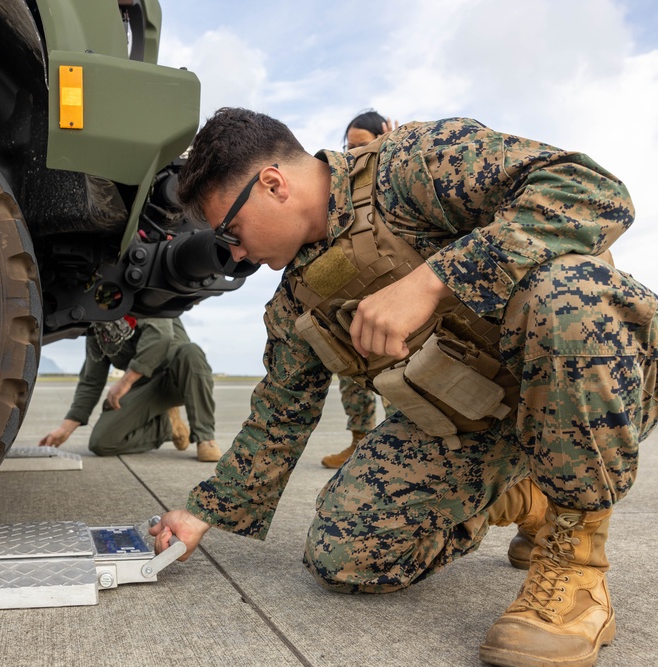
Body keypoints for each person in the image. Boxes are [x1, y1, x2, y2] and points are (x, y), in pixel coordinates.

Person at [150, 107, 656, 667]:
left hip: (599, 377)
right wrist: (201, 513)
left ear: (272, 184)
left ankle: (578, 572)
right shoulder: (297, 299)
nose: (235, 255)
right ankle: (527, 496)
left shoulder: (411, 166)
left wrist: (432, 281)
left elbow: (592, 192)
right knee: (343, 553)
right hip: (481, 425)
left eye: (231, 233)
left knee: (567, 292)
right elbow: (279, 417)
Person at [322, 109, 399, 469]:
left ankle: (400, 451)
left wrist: (392, 145)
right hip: (356, 289)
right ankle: (359, 442)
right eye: (349, 146)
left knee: (397, 372)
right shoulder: (346, 179)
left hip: (395, 291)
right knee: (352, 371)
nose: (354, 153)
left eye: (362, 145)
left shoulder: (396, 171)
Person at [40, 316, 222, 462]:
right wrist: (67, 427)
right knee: (102, 442)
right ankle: (166, 425)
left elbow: (160, 336)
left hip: (178, 378)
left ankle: (205, 438)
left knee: (191, 352)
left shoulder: (150, 294)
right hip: (144, 387)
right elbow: (91, 380)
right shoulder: (96, 325)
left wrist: (126, 381)